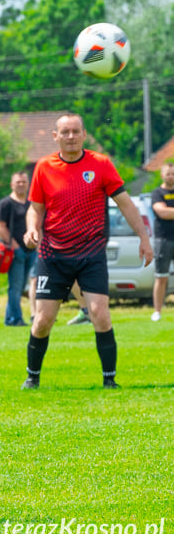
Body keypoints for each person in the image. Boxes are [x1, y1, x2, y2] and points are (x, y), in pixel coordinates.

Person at [22, 114, 152, 390]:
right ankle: (32, 377)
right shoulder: (44, 167)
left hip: (91, 254)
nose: (71, 136)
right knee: (43, 320)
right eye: (65, 132)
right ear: (55, 136)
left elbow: (126, 204)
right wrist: (31, 230)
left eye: (76, 131)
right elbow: (35, 208)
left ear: (83, 135)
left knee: (100, 314)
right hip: (52, 255)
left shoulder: (101, 164)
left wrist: (143, 236)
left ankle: (109, 380)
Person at [0, 171, 37, 326]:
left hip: (31, 251)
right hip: (15, 252)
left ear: (28, 184)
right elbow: (0, 226)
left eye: (24, 182)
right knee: (15, 286)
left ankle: (10, 318)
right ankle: (16, 318)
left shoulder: (30, 203)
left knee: (20, 288)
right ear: (12, 184)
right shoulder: (6, 203)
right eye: (18, 182)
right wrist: (16, 247)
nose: (21, 185)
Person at [150, 162, 174, 321]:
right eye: (168, 174)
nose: (171, 176)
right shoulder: (157, 193)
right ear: (162, 175)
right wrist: (167, 211)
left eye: (173, 173)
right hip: (163, 240)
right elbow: (162, 212)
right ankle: (157, 311)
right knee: (161, 276)